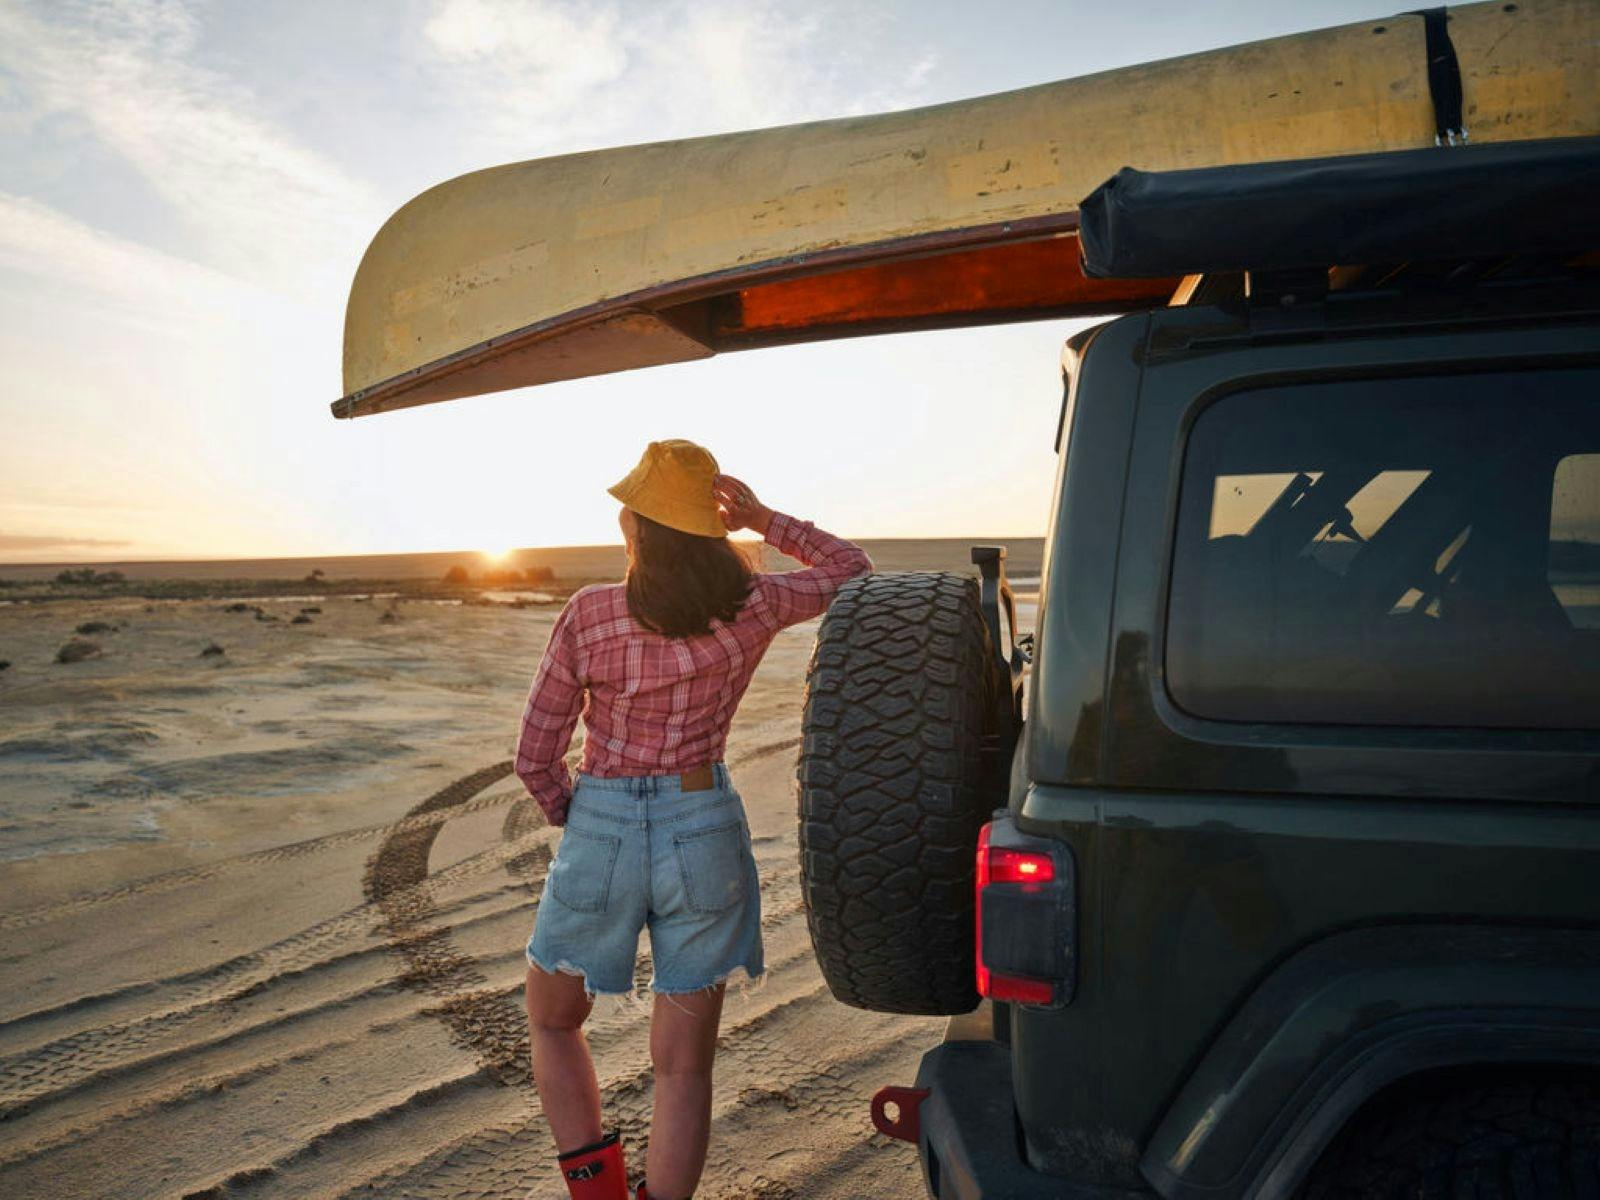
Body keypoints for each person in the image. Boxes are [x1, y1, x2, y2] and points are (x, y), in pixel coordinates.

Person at [515, 438, 872, 1200]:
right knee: (684, 1064)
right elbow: (850, 572)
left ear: (637, 530)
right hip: (702, 820)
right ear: (712, 530)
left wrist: (576, 817)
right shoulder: (757, 603)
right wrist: (765, 519)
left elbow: (536, 756)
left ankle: (599, 1194)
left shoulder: (590, 614)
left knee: (553, 1020)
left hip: (603, 819)